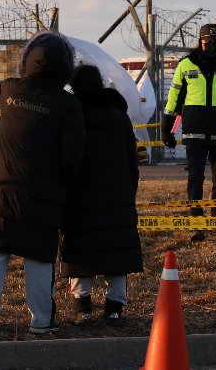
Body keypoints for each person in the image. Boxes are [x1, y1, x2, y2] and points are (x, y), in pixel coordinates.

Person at [0, 31, 86, 335]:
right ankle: (42, 320)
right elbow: (73, 155)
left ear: (26, 62)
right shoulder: (68, 105)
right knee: (39, 256)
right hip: (41, 193)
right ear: (66, 67)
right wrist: (62, 182)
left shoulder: (10, 90)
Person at [60, 63, 143, 328]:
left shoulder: (74, 115)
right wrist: (129, 191)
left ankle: (81, 309)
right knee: (117, 254)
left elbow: (68, 158)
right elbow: (133, 160)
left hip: (80, 197)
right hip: (118, 196)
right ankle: (114, 310)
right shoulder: (121, 115)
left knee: (80, 252)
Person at [160, 24, 216, 242]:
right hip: (194, 133)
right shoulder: (185, 65)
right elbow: (174, 99)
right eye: (208, 43)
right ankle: (196, 225)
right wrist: (166, 128)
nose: (213, 46)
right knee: (195, 178)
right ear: (200, 41)